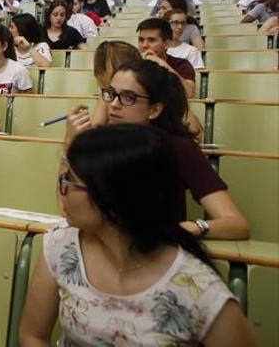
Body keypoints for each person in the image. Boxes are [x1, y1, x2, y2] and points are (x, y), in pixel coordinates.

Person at [21, 124, 258, 346]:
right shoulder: (62, 246)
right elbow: (32, 335)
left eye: (70, 181)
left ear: (109, 197)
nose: (62, 191)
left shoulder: (198, 290)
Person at [67, 58, 248, 239]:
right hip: (101, 249)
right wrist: (70, 143)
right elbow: (68, 211)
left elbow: (237, 224)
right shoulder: (100, 142)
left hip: (158, 253)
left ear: (154, 109)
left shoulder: (179, 148)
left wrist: (188, 229)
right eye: (111, 94)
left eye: (128, 97)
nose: (114, 104)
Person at [137, 18, 196, 98]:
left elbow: (188, 93)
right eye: (141, 40)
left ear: (167, 43)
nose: (144, 45)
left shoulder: (181, 64)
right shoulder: (133, 64)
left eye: (151, 40)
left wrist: (159, 61)